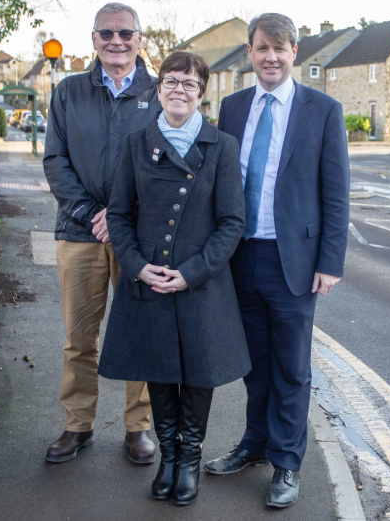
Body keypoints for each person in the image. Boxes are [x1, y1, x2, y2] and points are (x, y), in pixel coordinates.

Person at [204, 13, 350, 508]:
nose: (271, 57)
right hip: (240, 258)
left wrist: (330, 261)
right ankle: (255, 445)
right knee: (254, 365)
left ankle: (287, 462)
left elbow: (337, 193)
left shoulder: (323, 110)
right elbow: (221, 183)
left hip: (294, 263)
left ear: (294, 53)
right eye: (262, 48)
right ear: (250, 52)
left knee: (292, 369)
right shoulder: (233, 106)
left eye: (280, 48)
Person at [98, 51, 251, 506]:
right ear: (158, 87)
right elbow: (120, 215)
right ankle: (168, 457)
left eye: (189, 83)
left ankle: (188, 460)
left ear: (202, 94)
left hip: (199, 284)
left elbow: (232, 222)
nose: (179, 89)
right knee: (160, 371)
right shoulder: (135, 144)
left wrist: (192, 273)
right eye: (171, 81)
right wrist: (136, 265)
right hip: (149, 280)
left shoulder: (221, 145)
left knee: (198, 375)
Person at [42, 2, 160, 465]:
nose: (117, 41)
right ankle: (77, 425)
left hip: (138, 239)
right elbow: (55, 160)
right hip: (79, 231)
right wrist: (94, 211)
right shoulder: (69, 92)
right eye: (107, 34)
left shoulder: (160, 91)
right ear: (93, 39)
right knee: (79, 337)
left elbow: (166, 163)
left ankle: (138, 427)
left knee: (140, 335)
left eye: (125, 33)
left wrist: (122, 215)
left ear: (139, 38)